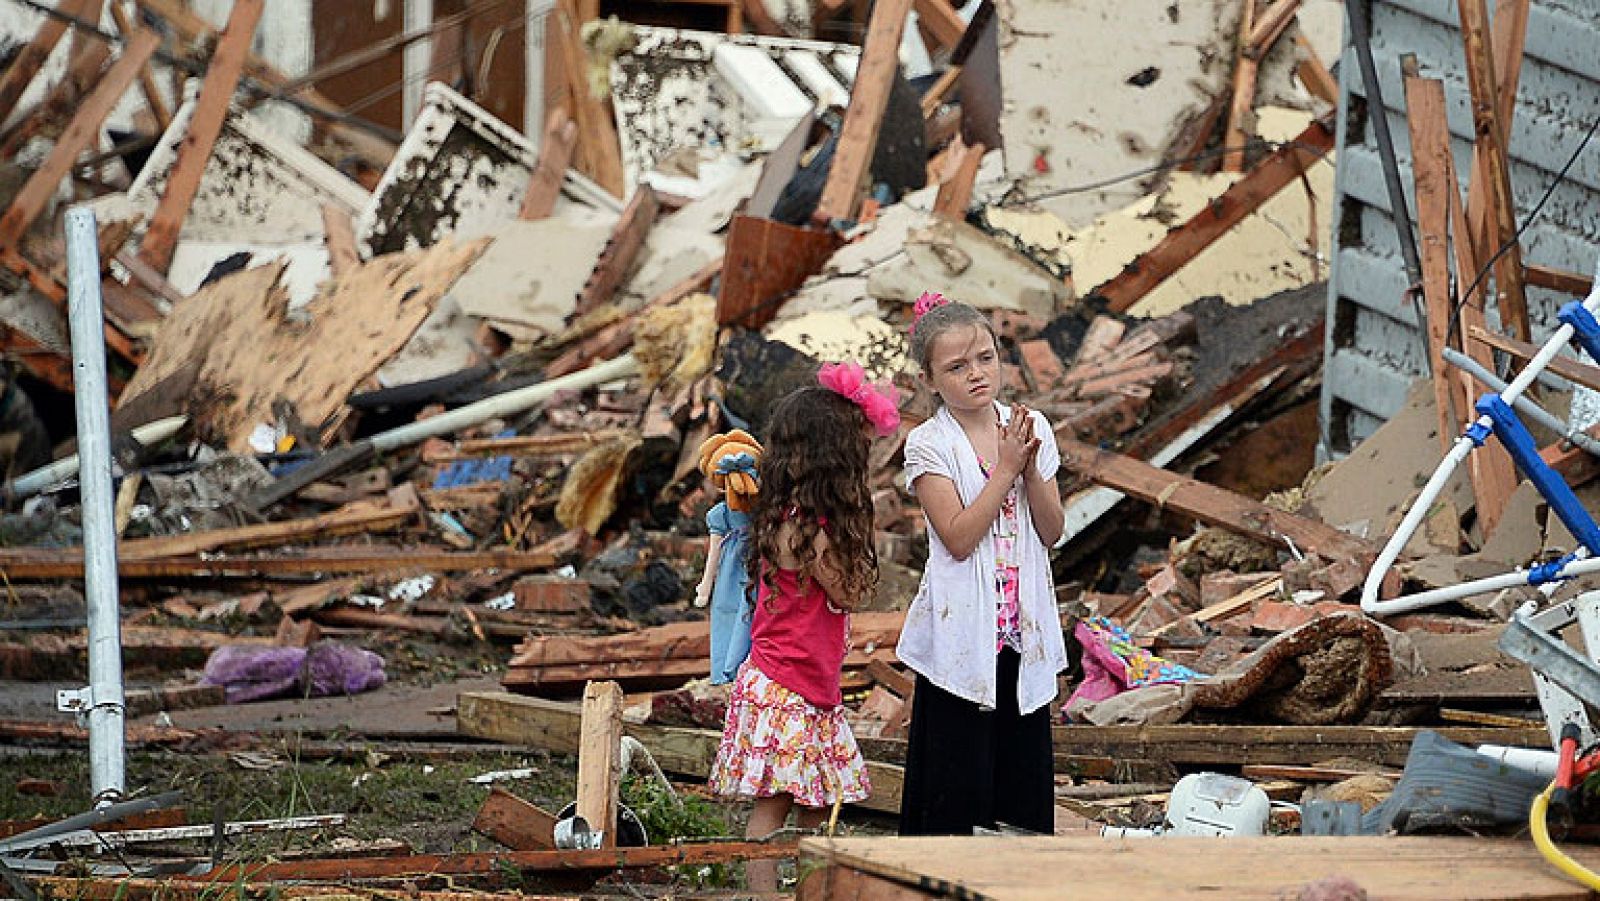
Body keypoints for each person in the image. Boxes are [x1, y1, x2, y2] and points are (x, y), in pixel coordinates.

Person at [709, 363, 899, 891]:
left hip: (794, 683)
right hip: (789, 687)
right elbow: (848, 593)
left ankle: (796, 892)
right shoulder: (815, 534)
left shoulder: (780, 517)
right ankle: (776, 894)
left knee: (811, 802)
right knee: (785, 810)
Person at [896, 292, 1068, 836]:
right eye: (957, 366)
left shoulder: (1030, 424)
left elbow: (1052, 529)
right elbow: (959, 536)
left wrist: (1032, 468)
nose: (976, 374)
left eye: (986, 358)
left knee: (1022, 782)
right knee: (955, 784)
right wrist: (1005, 469)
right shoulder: (929, 444)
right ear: (929, 379)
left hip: (1020, 629)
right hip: (962, 634)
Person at [693, 429, 764, 684]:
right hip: (742, 570)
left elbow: (715, 551)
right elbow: (714, 552)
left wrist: (705, 585)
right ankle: (730, 670)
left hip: (753, 567)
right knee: (731, 614)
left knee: (746, 617)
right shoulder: (723, 515)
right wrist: (706, 584)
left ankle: (744, 668)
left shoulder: (761, 510)